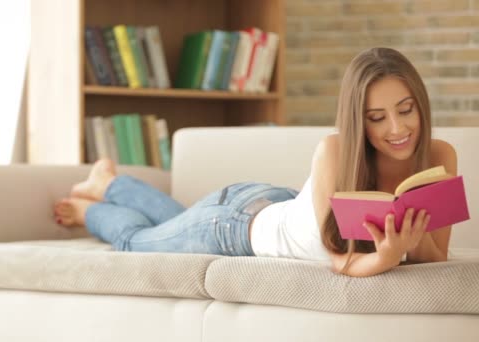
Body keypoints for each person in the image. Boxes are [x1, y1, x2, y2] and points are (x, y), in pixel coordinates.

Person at [53, 47, 457, 277]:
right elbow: (341, 260)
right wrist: (387, 256)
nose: (397, 128)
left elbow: (436, 259)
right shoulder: (334, 151)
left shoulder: (440, 156)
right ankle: (93, 204)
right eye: (376, 117)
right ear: (358, 120)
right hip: (232, 225)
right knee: (134, 243)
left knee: (170, 224)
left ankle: (109, 183)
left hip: (280, 203)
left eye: (406, 110)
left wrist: (411, 234)